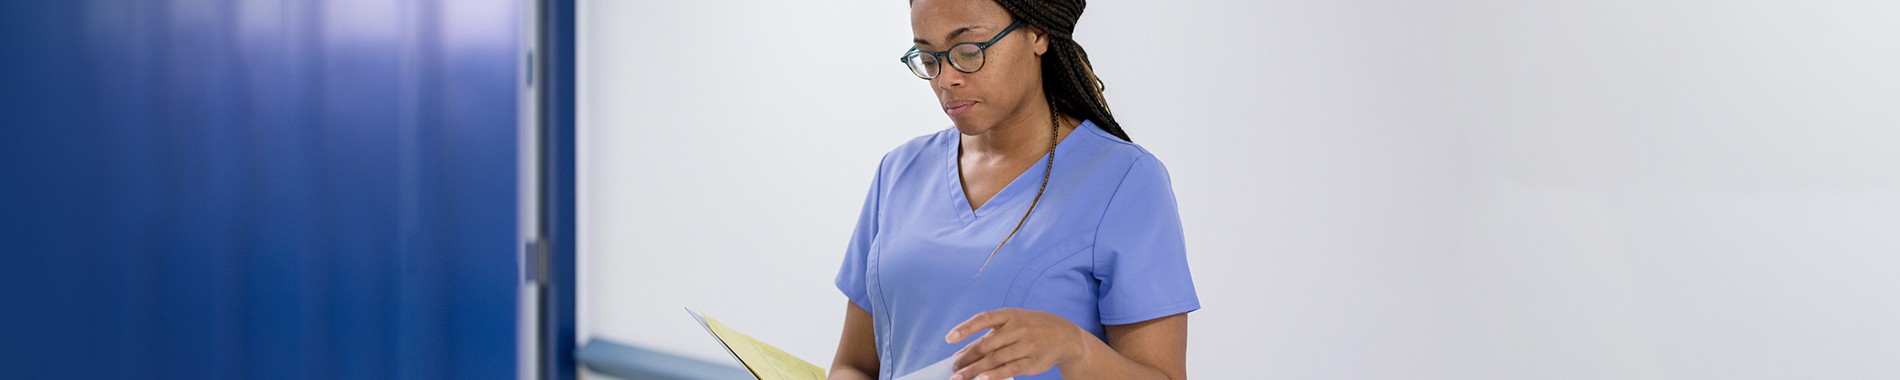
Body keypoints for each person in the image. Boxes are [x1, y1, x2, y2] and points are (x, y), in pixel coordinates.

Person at [828, 0, 1197, 379]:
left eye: (969, 51)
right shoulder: (899, 171)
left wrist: (1074, 346)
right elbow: (852, 365)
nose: (945, 79)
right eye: (928, 58)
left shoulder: (1124, 180)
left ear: (1038, 34)